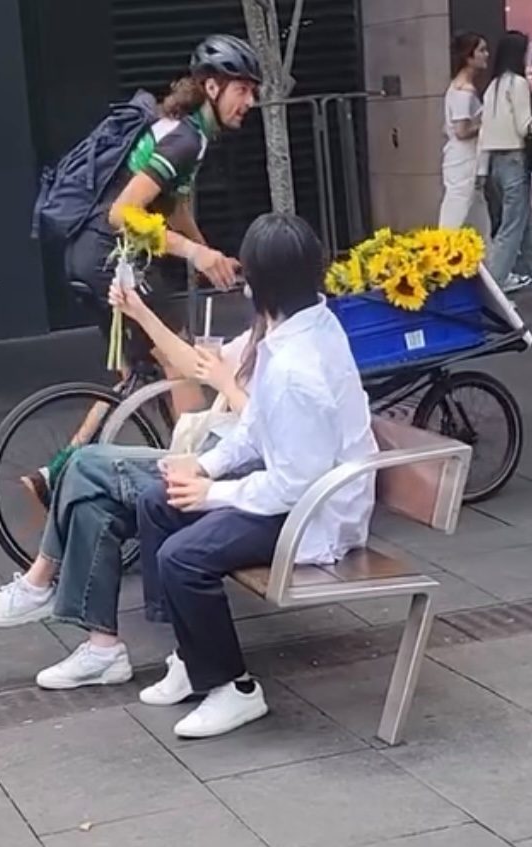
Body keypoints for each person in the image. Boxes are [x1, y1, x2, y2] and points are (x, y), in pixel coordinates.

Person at [134, 213, 377, 739]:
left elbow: (293, 485)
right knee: (159, 503)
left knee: (183, 557)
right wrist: (205, 465)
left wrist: (211, 493)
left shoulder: (294, 367)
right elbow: (257, 427)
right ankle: (190, 654)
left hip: (313, 510)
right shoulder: (303, 324)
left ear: (256, 287)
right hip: (298, 483)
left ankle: (233, 689)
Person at [0, 285, 262, 689]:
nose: (244, 292)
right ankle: (103, 649)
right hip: (215, 457)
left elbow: (267, 435)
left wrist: (227, 386)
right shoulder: (261, 336)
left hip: (236, 474)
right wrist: (138, 310)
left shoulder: (294, 353)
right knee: (93, 507)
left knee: (84, 463)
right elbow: (194, 364)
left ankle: (39, 581)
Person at [23, 34, 262, 505]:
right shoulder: (186, 139)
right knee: (182, 359)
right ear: (212, 88)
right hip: (108, 257)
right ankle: (189, 480)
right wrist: (194, 256)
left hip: (92, 257)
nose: (250, 101)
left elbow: (171, 207)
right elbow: (123, 212)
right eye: (243, 89)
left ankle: (56, 472)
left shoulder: (185, 131)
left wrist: (209, 251)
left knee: (133, 373)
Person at [479, 30, 532, 305]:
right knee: (513, 229)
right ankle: (494, 289)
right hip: (514, 160)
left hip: (496, 162)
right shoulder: (518, 84)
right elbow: (526, 127)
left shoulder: (493, 87)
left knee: (524, 228)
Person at [439, 33, 492, 239]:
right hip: (464, 160)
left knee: (478, 218)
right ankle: (439, 261)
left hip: (465, 159)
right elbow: (461, 131)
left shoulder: (457, 87)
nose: (486, 55)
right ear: (468, 57)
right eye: (481, 50)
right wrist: (485, 124)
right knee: (455, 215)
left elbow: (447, 128)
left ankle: (488, 266)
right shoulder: (464, 91)